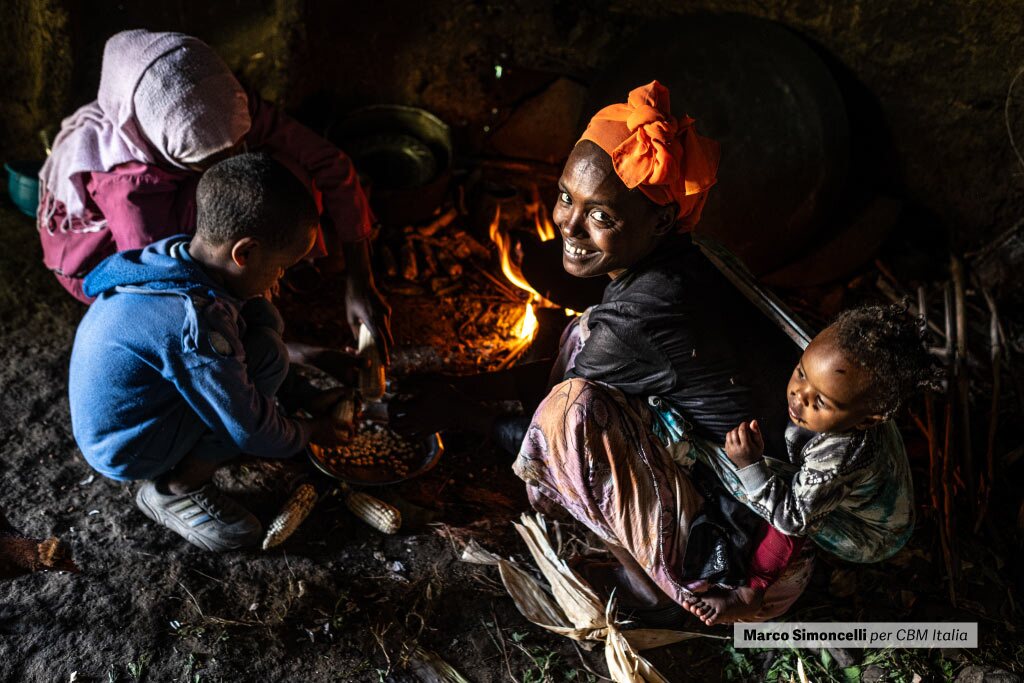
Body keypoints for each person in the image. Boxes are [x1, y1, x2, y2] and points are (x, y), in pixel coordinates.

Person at [395, 81, 812, 624]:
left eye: (601, 216)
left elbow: (550, 427)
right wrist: (462, 384)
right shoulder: (688, 257)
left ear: (660, 220)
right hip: (765, 511)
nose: (567, 223)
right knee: (583, 334)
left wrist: (460, 414)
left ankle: (652, 587)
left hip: (745, 567)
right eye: (567, 196)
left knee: (572, 415)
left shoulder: (647, 311)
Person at [37, 29, 392, 361]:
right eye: (210, 161)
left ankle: (258, 275)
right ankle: (250, 291)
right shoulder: (130, 185)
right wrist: (285, 353)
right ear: (171, 154)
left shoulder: (224, 106)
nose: (234, 159)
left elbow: (329, 163)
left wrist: (361, 281)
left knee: (285, 174)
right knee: (205, 261)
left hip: (182, 207)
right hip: (118, 261)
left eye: (239, 146)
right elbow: (164, 294)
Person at [68, 154, 350, 552]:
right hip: (126, 447)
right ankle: (176, 488)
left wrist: (303, 397)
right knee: (264, 360)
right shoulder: (195, 327)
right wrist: (308, 433)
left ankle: (196, 448)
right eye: (284, 266)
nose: (282, 277)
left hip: (124, 417)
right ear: (245, 253)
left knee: (259, 319)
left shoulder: (173, 255)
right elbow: (249, 427)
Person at [684, 304, 930, 624]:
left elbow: (793, 518)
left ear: (869, 420)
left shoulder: (843, 452)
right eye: (801, 373)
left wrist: (750, 466)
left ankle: (750, 592)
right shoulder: (848, 400)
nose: (799, 397)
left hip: (869, 534)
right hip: (867, 493)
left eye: (821, 401)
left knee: (785, 498)